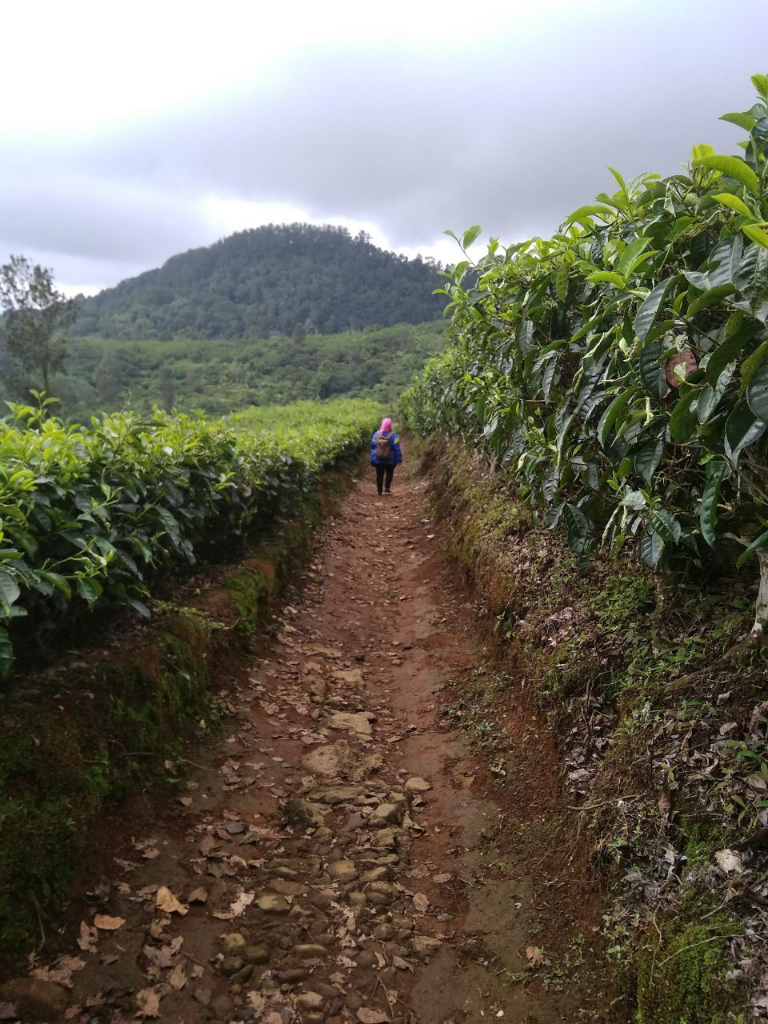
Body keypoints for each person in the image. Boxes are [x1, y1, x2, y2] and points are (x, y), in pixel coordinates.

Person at [370, 417, 402, 495]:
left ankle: (379, 490)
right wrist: (399, 459)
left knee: (379, 474)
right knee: (389, 473)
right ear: (390, 425)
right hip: (390, 459)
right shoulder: (394, 436)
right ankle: (387, 488)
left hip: (378, 459)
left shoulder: (376, 434)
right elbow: (397, 448)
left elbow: (373, 444)